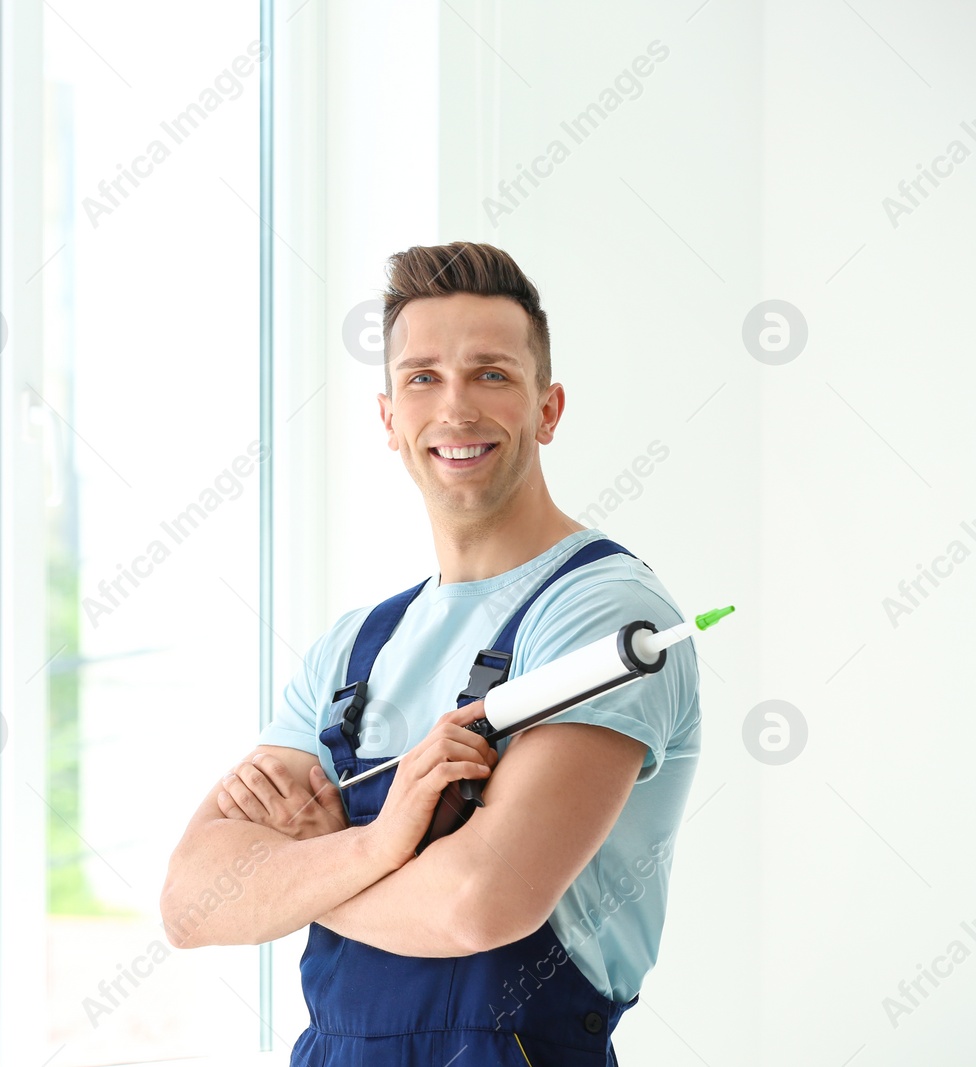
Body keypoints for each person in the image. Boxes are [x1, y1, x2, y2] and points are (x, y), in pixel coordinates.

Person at [160, 242, 700, 1065]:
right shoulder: (354, 649)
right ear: (389, 419)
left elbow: (479, 904)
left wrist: (307, 863)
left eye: (491, 374)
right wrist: (379, 846)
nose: (455, 410)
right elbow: (195, 902)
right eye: (422, 378)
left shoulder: (601, 617)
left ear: (548, 408)